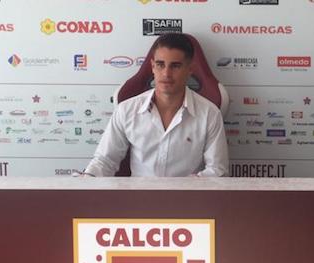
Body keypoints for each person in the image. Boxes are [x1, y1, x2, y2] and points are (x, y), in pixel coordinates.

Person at [82, 33, 229, 177]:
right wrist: (88, 179)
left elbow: (217, 170)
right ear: (152, 66)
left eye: (175, 66)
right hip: (139, 193)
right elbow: (105, 161)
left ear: (190, 69)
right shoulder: (127, 110)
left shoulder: (209, 114)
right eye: (160, 65)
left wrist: (185, 188)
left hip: (188, 193)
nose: (166, 74)